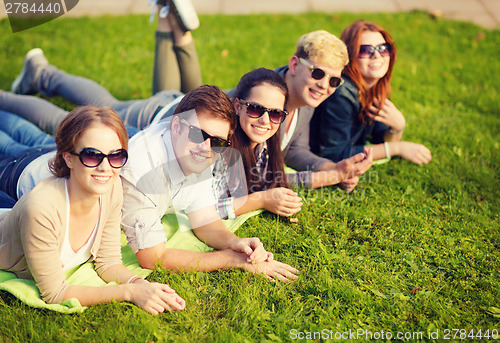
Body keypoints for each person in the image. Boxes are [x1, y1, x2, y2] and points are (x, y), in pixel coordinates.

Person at [0, 106, 185, 315]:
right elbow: (55, 293)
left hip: (15, 209)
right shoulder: (41, 210)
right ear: (68, 158)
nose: (106, 167)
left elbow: (108, 262)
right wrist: (128, 292)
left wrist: (140, 283)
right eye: (91, 155)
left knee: (10, 142)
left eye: (115, 156)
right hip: (11, 189)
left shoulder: (111, 189)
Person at [120, 84, 300, 282]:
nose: (206, 148)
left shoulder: (205, 149)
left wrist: (238, 244)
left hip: (152, 131)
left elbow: (204, 220)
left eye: (217, 142)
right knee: (106, 106)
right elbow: (152, 257)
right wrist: (229, 259)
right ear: (176, 126)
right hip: (130, 129)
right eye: (197, 134)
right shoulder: (141, 170)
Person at [215, 68, 372, 218]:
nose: (265, 121)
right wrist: (262, 200)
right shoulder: (218, 144)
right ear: (237, 106)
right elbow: (207, 209)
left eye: (275, 114)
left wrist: (335, 174)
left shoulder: (262, 146)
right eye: (255, 109)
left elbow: (269, 180)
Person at [310, 20, 432, 165]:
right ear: (349, 56)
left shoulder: (375, 85)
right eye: (365, 50)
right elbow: (334, 154)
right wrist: (398, 148)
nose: (376, 55)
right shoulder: (342, 93)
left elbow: (379, 140)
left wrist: (397, 127)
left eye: (383, 48)